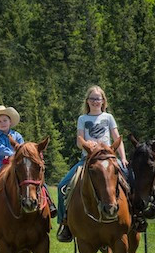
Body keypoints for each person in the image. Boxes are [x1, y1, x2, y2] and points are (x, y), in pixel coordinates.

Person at [56, 85, 135, 243]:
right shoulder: (83, 119)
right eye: (92, 99)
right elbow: (79, 140)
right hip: (88, 159)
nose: (95, 101)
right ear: (87, 101)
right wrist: (87, 144)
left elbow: (117, 138)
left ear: (103, 100)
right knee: (62, 186)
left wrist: (123, 158)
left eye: (98, 99)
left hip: (109, 158)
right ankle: (65, 222)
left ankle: (136, 215)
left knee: (130, 179)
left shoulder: (108, 117)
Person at [0, 105, 57, 228]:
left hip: (16, 167)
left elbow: (23, 149)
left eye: (4, 120)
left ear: (10, 122)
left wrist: (22, 156)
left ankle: (49, 204)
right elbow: (0, 149)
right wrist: (16, 154)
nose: (2, 123)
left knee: (38, 181)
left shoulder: (17, 135)